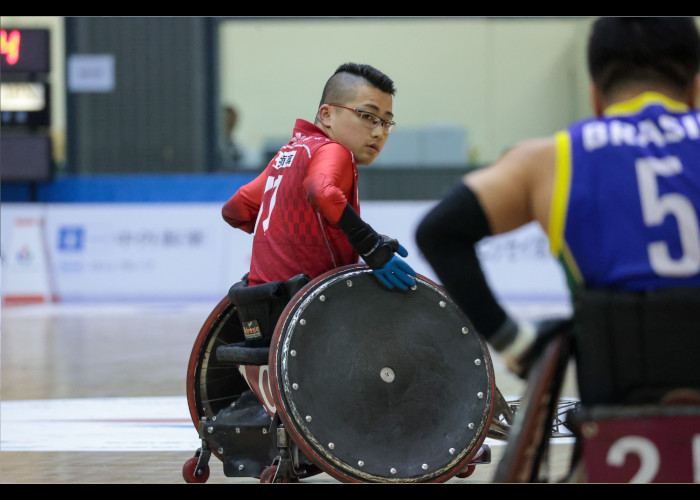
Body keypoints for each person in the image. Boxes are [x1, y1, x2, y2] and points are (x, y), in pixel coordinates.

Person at [416, 17, 700, 405]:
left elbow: (439, 232)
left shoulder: (550, 159)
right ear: (695, 89)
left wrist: (514, 343)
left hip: (616, 394)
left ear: (595, 96)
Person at [222, 63, 416, 291]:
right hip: (314, 307)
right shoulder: (334, 150)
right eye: (367, 116)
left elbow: (235, 210)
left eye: (386, 122)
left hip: (260, 301)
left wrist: (289, 233)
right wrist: (370, 246)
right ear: (327, 114)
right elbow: (321, 191)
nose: (379, 132)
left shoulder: (290, 154)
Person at [219, 105, 245, 169]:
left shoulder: (236, 148)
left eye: (232, 123)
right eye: (227, 123)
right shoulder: (215, 146)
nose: (230, 127)